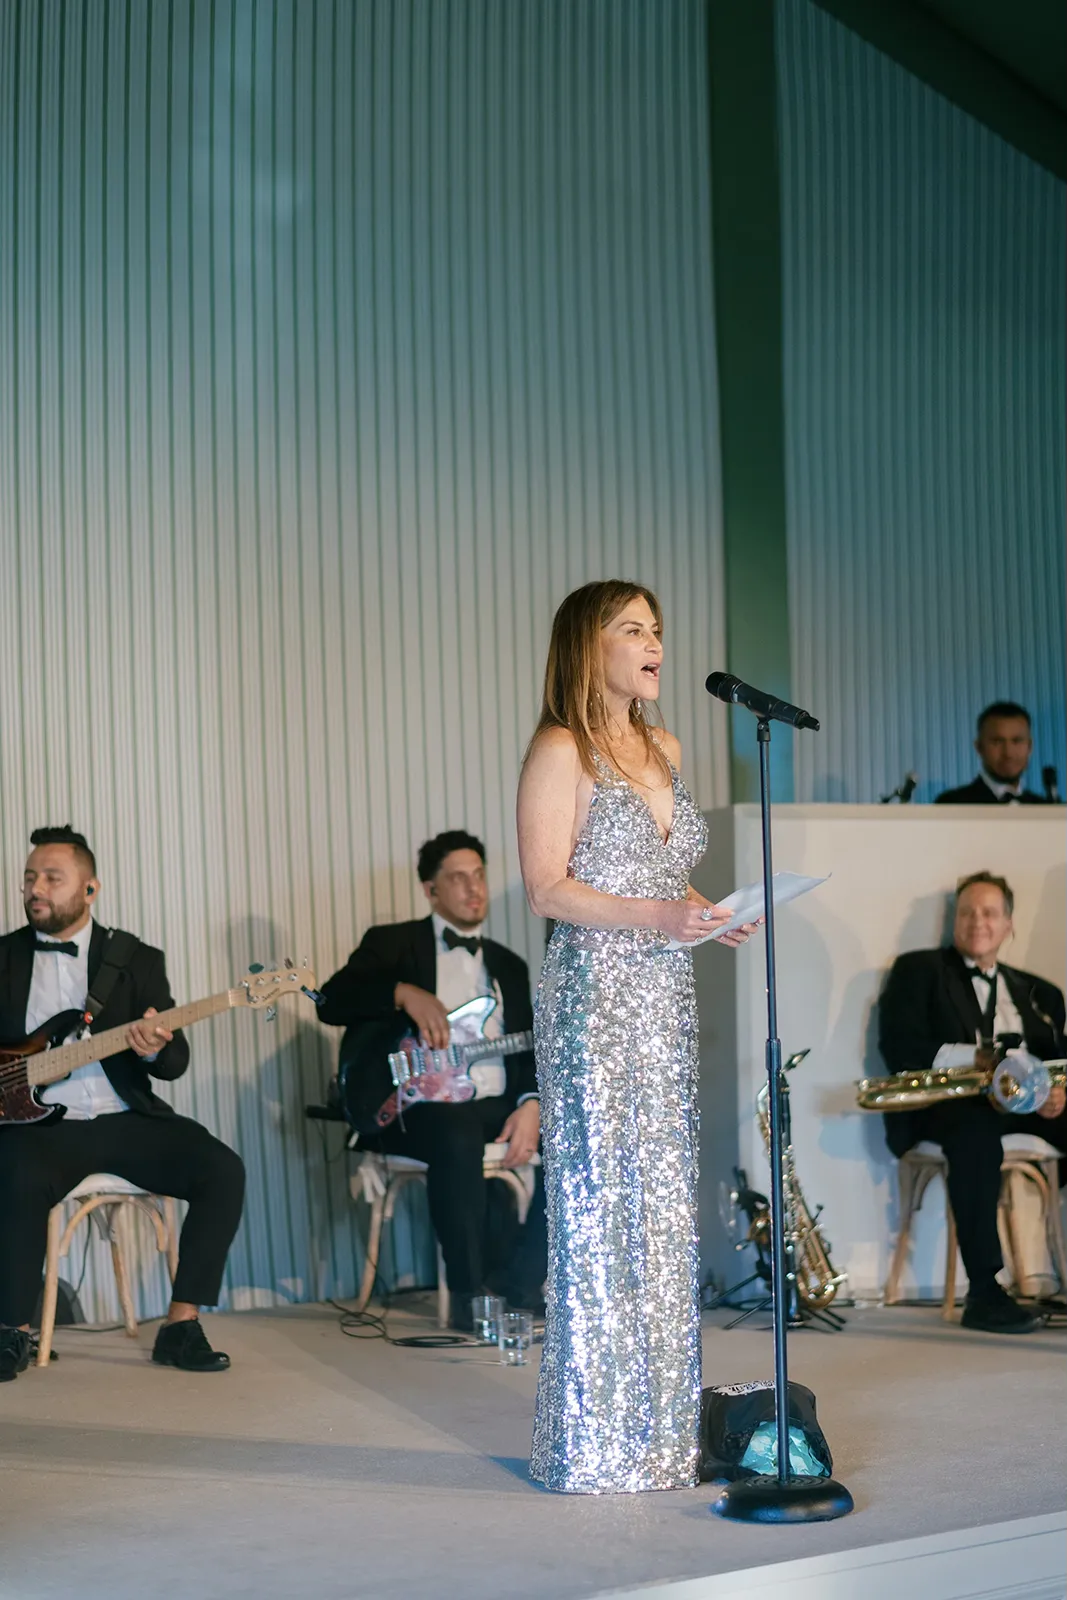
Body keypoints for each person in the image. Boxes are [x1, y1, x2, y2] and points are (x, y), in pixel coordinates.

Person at [517, 580, 757, 1495]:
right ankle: (594, 1442)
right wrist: (663, 914)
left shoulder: (665, 744)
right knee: (601, 1206)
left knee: (660, 1208)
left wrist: (708, 912)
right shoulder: (558, 750)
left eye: (657, 629)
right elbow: (548, 890)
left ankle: (659, 1441)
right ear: (591, 647)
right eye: (633, 630)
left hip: (664, 994)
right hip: (597, 997)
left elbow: (660, 877)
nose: (654, 643)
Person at [0, 826, 245, 1381]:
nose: (36, 888)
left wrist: (156, 1048)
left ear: (90, 890)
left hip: (125, 1117)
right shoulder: (4, 957)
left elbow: (175, 1063)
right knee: (13, 1170)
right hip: (39, 1129)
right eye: (29, 878)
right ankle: (11, 1331)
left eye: (52, 879)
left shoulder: (136, 959)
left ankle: (181, 1325)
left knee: (222, 1169)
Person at [317, 831, 546, 1329]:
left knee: (581, 1137)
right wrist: (402, 992)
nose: (473, 888)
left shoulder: (510, 964)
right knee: (456, 1128)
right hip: (414, 1107)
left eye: (479, 875)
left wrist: (531, 1103)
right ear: (430, 890)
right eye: (457, 878)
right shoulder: (393, 943)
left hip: (493, 1104)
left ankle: (518, 1285)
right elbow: (331, 1001)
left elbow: (529, 1047)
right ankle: (469, 1297)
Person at [878, 871, 1066, 1333]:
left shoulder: (1041, 992)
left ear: (1009, 925)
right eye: (966, 912)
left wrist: (1052, 1093)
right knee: (976, 1136)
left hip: (1024, 1110)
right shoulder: (918, 970)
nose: (977, 922)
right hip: (948, 1109)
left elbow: (1057, 1060)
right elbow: (900, 1047)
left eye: (989, 913)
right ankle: (985, 1292)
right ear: (953, 921)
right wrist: (982, 1059)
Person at [935, 702, 1050, 804]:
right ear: (979, 747)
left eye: (1017, 741)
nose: (1008, 753)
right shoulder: (953, 804)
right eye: (997, 742)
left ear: (1029, 747)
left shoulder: (1048, 809)